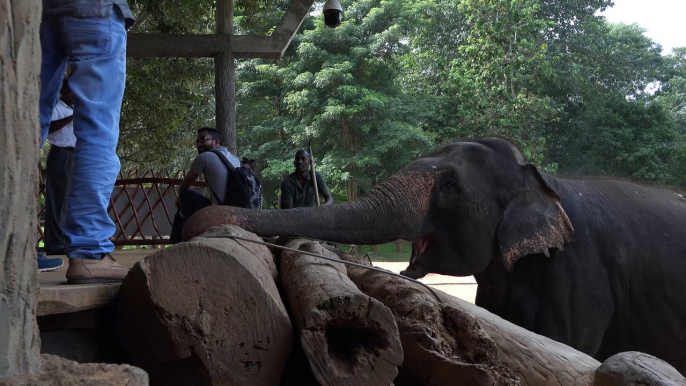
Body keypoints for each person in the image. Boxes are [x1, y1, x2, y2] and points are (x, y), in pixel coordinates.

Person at [39, 1, 135, 282]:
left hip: (38, 11)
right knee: (98, 133)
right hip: (94, 8)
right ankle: (89, 252)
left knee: (26, 121)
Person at [170, 128, 241, 243]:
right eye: (197, 141)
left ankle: (184, 240)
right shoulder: (236, 160)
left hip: (217, 212)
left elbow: (184, 186)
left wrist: (179, 200)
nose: (199, 144)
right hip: (237, 212)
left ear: (216, 141)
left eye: (203, 140)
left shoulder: (206, 157)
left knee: (186, 194)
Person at [44, 80, 76, 256]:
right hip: (61, 154)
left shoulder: (75, 109)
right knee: (58, 200)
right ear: (63, 90)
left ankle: (67, 240)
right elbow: (48, 128)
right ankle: (55, 243)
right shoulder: (56, 107)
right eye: (72, 90)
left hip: (75, 155)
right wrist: (73, 117)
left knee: (70, 201)